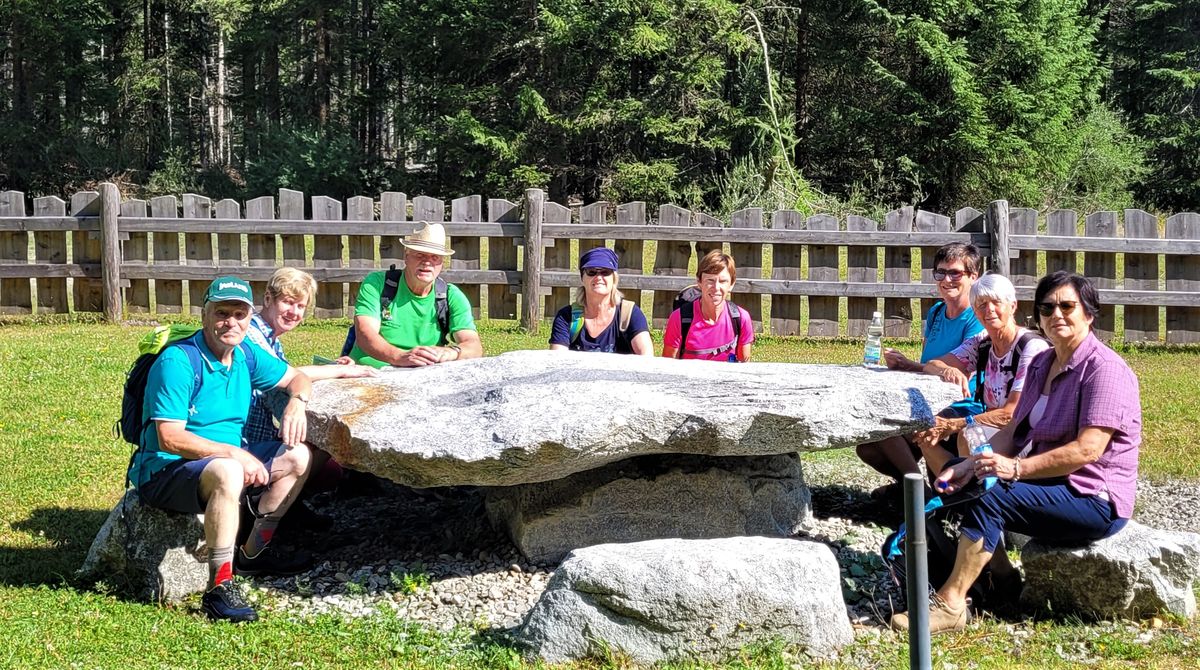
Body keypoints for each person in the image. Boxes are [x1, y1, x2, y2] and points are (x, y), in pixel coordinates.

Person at [891, 271, 1141, 634]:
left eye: (1067, 306)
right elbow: (1012, 430)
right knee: (973, 485)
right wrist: (971, 466)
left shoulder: (1104, 371)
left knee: (993, 498)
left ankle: (952, 604)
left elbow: (1088, 451)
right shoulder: (1043, 363)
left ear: (1089, 313)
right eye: (1047, 307)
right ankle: (1002, 581)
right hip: (1051, 481)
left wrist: (1014, 468)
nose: (1056, 315)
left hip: (1094, 497)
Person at [129, 276, 316, 623]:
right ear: (204, 315)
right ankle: (219, 587)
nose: (231, 322)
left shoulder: (244, 354)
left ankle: (252, 554)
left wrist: (297, 403)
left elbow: (297, 377)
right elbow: (170, 438)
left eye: (240, 314)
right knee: (228, 470)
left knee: (298, 457)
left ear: (250, 317)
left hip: (221, 463)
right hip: (166, 470)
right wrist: (236, 455)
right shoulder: (178, 361)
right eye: (222, 313)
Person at [242, 267, 377, 527]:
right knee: (317, 445)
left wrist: (334, 369)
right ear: (268, 299)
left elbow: (286, 376)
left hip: (257, 433)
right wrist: (336, 371)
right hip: (243, 439)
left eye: (300, 306)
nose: (294, 312)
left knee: (326, 455)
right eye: (287, 302)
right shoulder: (251, 334)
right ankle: (263, 518)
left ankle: (286, 505)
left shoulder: (269, 336)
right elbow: (285, 376)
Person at [855, 242, 985, 490]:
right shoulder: (937, 312)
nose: (946, 279)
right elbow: (932, 365)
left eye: (955, 273)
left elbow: (951, 367)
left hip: (960, 404)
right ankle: (913, 486)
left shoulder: (976, 317)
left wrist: (924, 366)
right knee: (868, 448)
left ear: (973, 277)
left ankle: (917, 494)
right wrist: (908, 364)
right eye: (940, 272)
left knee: (887, 420)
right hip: (928, 397)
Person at [918, 273, 1050, 473]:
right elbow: (931, 365)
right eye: (981, 305)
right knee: (927, 431)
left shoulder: (1030, 347)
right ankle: (949, 495)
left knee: (967, 435)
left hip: (1028, 435)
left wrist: (955, 424)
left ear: (1013, 306)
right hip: (993, 426)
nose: (989, 310)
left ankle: (973, 498)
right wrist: (948, 370)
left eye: (996, 302)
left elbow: (1010, 414)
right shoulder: (983, 342)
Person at [347, 223, 482, 368]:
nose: (427, 262)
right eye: (420, 255)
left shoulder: (451, 295)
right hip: (369, 373)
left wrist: (452, 352)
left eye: (435, 257)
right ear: (406, 256)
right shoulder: (376, 284)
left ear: (442, 262)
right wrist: (398, 356)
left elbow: (474, 346)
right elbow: (365, 334)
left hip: (423, 377)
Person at [549, 247, 653, 355]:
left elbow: (646, 357)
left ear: (614, 279)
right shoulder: (566, 317)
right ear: (582, 278)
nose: (598, 277)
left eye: (605, 272)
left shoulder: (630, 314)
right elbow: (558, 360)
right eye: (591, 272)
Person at [661, 250, 754, 361]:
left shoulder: (741, 318)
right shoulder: (679, 319)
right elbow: (668, 367)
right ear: (699, 282)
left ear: (731, 284)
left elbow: (744, 366)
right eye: (710, 280)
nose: (716, 287)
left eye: (723, 281)